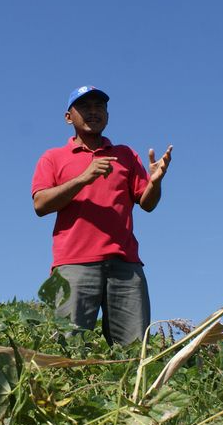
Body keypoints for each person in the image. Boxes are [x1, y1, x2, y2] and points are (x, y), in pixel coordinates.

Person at [31, 86, 173, 345]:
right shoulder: (52, 158)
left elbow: (147, 203)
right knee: (66, 348)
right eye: (85, 107)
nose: (93, 112)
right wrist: (84, 178)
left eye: (99, 107)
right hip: (74, 265)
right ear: (68, 117)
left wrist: (155, 182)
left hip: (126, 266)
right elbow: (40, 204)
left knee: (133, 351)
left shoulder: (126, 155)